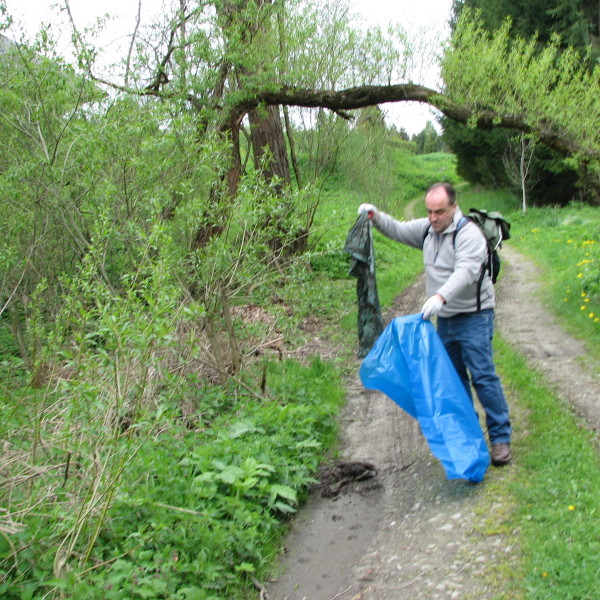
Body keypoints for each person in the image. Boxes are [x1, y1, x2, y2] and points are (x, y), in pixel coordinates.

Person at [358, 182, 512, 466]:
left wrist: (440, 296)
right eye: (429, 211)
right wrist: (375, 216)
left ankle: (501, 438)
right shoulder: (428, 229)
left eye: (439, 212)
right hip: (445, 321)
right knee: (453, 381)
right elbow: (399, 229)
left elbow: (466, 271)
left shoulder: (470, 235)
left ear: (453, 207)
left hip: (475, 316)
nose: (433, 218)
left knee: (482, 375)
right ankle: (468, 436)